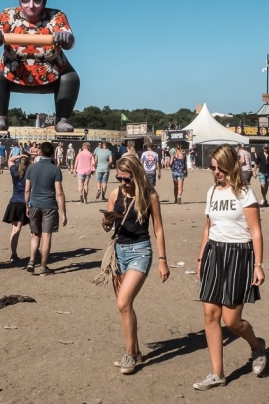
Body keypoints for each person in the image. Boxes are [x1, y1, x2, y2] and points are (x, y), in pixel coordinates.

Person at [194, 144, 266, 391]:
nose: (216, 173)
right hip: (214, 252)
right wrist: (201, 258)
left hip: (239, 254)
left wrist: (258, 265)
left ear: (231, 166)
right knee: (210, 315)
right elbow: (207, 227)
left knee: (232, 322)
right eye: (213, 168)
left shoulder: (245, 193)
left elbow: (256, 231)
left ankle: (257, 346)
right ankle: (217, 373)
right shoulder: (211, 192)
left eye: (221, 168)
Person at [101, 154, 169, 375]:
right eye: (119, 178)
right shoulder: (115, 194)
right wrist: (107, 221)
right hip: (119, 252)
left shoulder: (150, 196)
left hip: (140, 251)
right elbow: (107, 228)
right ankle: (136, 351)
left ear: (137, 175)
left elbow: (158, 228)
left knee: (123, 302)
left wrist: (162, 260)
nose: (123, 183)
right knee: (125, 307)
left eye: (127, 179)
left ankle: (129, 355)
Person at [0, 0, 79, 132]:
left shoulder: (57, 16)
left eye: (37, 0)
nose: (31, 5)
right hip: (13, 71)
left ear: (45, 0)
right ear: (19, 0)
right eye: (25, 0)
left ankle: (62, 119)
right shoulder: (8, 15)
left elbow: (69, 41)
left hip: (52, 72)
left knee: (71, 78)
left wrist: (66, 38)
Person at [24, 142, 66, 275]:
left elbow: (26, 190)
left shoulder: (31, 168)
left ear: (40, 152)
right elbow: (59, 192)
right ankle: (43, 267)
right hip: (49, 205)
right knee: (46, 236)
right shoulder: (55, 170)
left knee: (35, 234)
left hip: (34, 204)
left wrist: (27, 205)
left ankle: (31, 260)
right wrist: (63, 212)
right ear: (53, 152)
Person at [2, 153, 31, 264]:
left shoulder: (15, 171)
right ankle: (35, 250)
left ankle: (13, 254)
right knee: (34, 229)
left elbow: (9, 161)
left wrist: (19, 156)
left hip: (15, 202)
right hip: (26, 202)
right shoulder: (30, 172)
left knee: (15, 229)